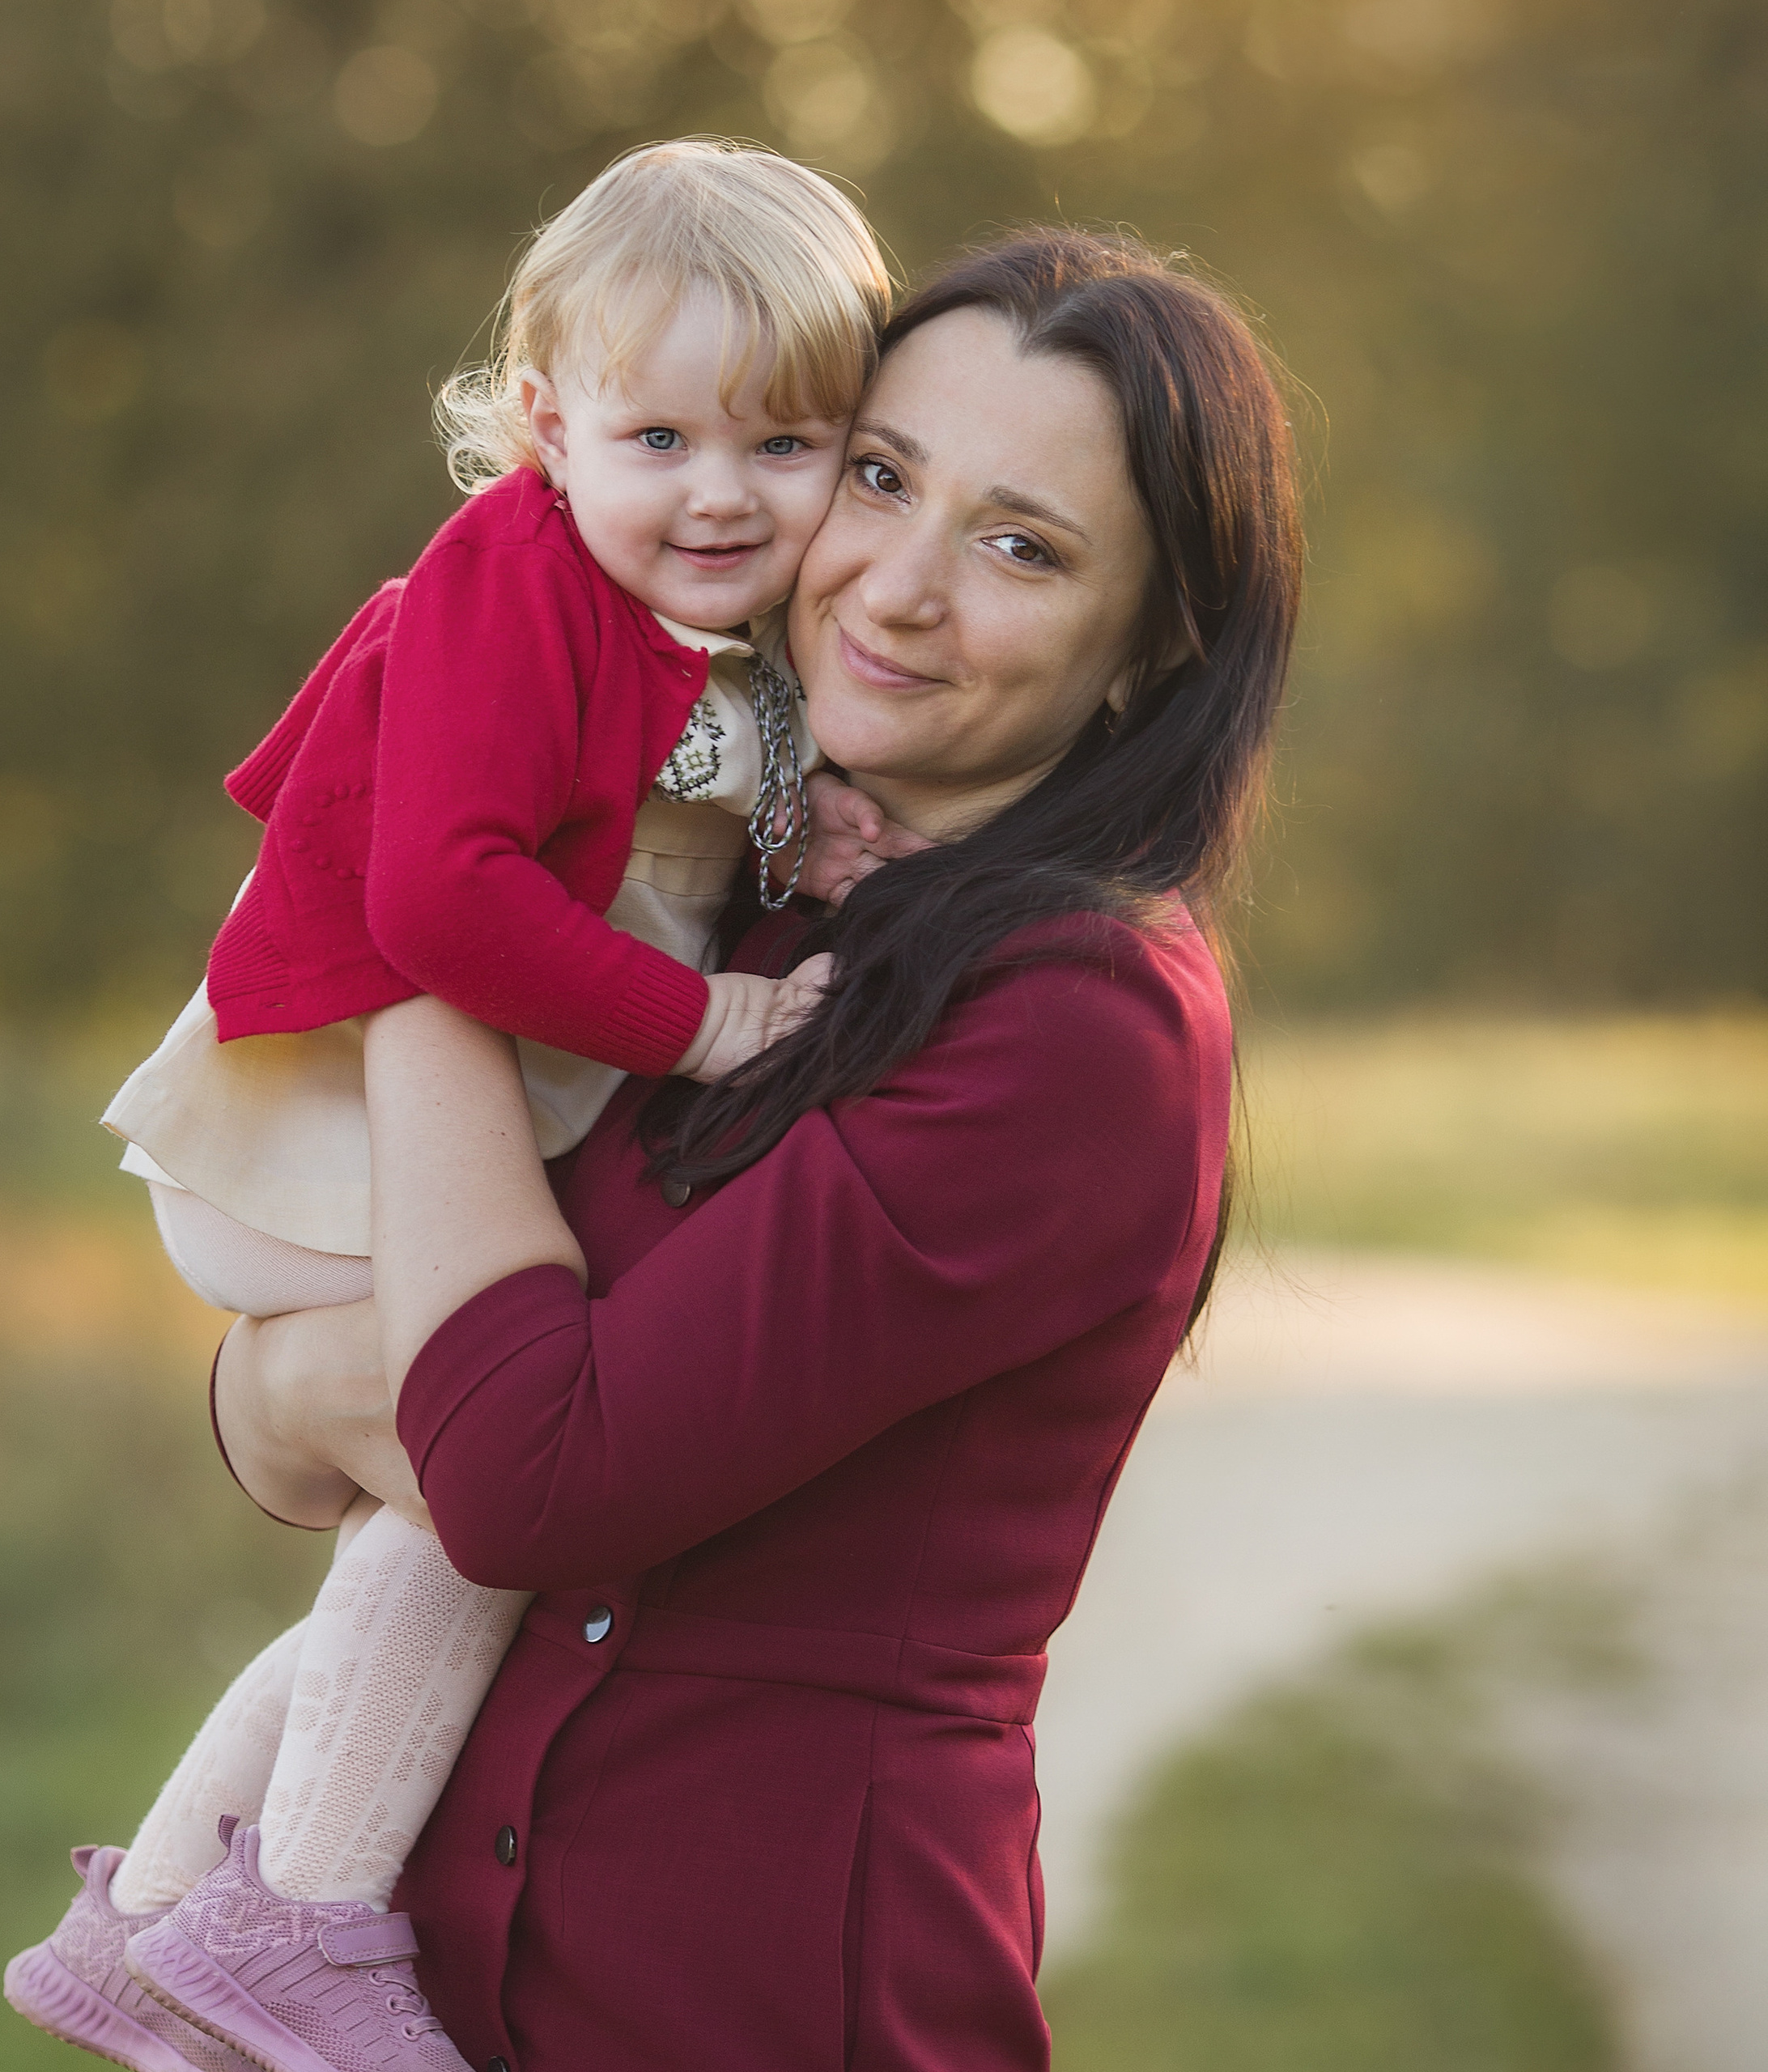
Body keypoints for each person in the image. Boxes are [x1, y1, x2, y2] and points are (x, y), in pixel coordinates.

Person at [187, 226, 1303, 2071]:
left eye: (1019, 545)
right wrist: (306, 1383)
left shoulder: (1080, 1022)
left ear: (1148, 649)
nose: (895, 584)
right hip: (461, 1983)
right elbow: (299, 1428)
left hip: (752, 1997)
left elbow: (522, 1479)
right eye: (877, 475)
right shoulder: (732, 894)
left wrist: (421, 932)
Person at [6, 139, 913, 2072]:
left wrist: (808, 830)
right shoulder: (509, 573)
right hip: (312, 1113)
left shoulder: (693, 625)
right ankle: (307, 1922)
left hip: (386, 1118)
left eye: (788, 443)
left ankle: (157, 1916)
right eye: (659, 436)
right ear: (542, 422)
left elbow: (691, 804)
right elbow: (441, 898)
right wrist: (705, 1026)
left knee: (444, 1486)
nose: (721, 493)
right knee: (500, 1462)